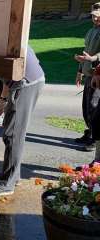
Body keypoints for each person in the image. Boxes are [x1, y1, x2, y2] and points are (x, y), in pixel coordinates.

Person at [0, 45, 45, 197]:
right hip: (31, 79)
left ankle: (7, 183)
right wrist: (3, 100)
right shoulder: (6, 39)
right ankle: (11, 175)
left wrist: (4, 99)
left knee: (13, 134)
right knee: (11, 130)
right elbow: (5, 77)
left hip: (26, 83)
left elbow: (5, 74)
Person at [74, 2, 100, 152]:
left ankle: (94, 140)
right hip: (89, 73)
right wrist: (80, 71)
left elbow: (96, 55)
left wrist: (93, 58)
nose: (95, 19)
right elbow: (86, 51)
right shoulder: (91, 31)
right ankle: (89, 132)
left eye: (98, 17)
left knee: (94, 107)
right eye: (93, 16)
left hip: (98, 75)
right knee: (86, 107)